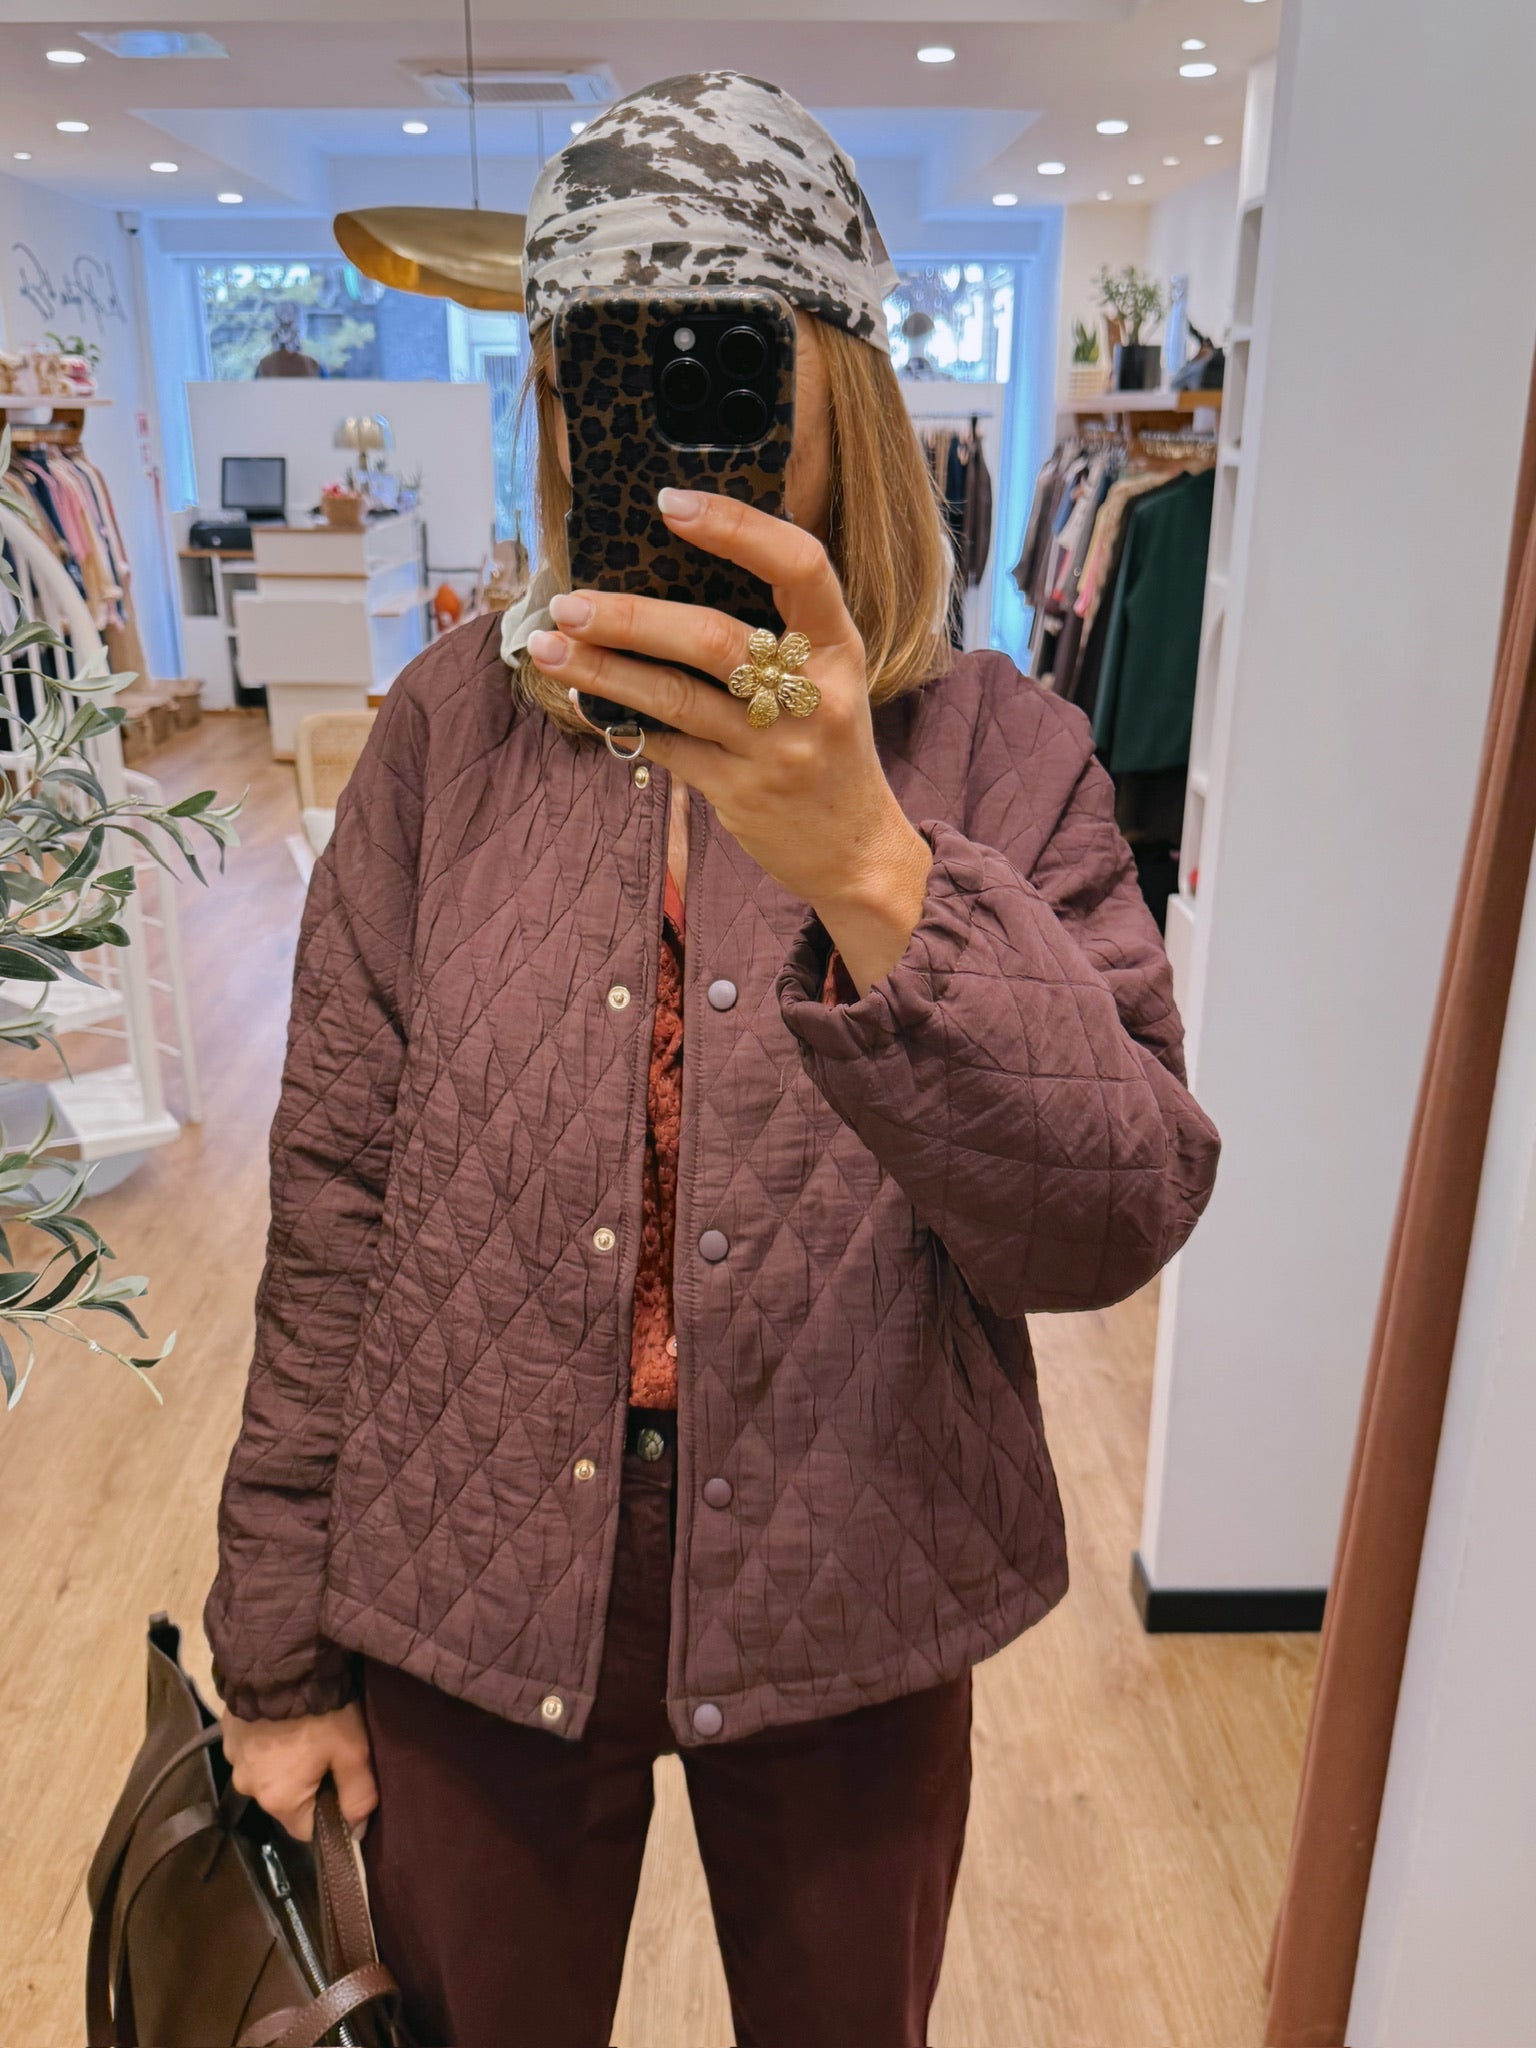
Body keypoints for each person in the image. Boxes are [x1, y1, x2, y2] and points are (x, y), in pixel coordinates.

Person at [207, 71, 1220, 2048]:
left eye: (720, 369)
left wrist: (874, 867)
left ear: (836, 383)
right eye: (601, 373)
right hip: (470, 1564)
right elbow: (334, 1195)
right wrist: (277, 1649)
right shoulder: (445, 737)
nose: (660, 426)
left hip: (858, 1560)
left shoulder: (999, 754)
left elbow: (1108, 1220)